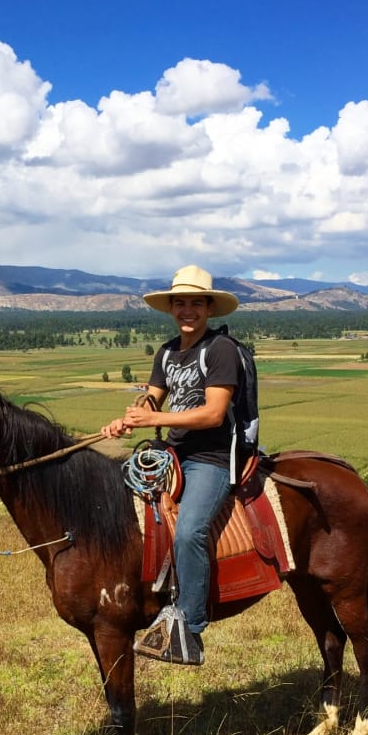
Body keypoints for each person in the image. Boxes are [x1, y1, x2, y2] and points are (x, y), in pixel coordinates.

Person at [100, 264, 243, 665]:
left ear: (209, 308)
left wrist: (154, 419)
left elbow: (214, 413)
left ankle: (191, 629)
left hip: (210, 458)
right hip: (173, 455)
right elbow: (152, 399)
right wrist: (128, 418)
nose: (187, 310)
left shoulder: (220, 351)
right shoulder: (167, 352)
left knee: (189, 533)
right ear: (171, 308)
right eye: (180, 303)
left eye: (196, 303)